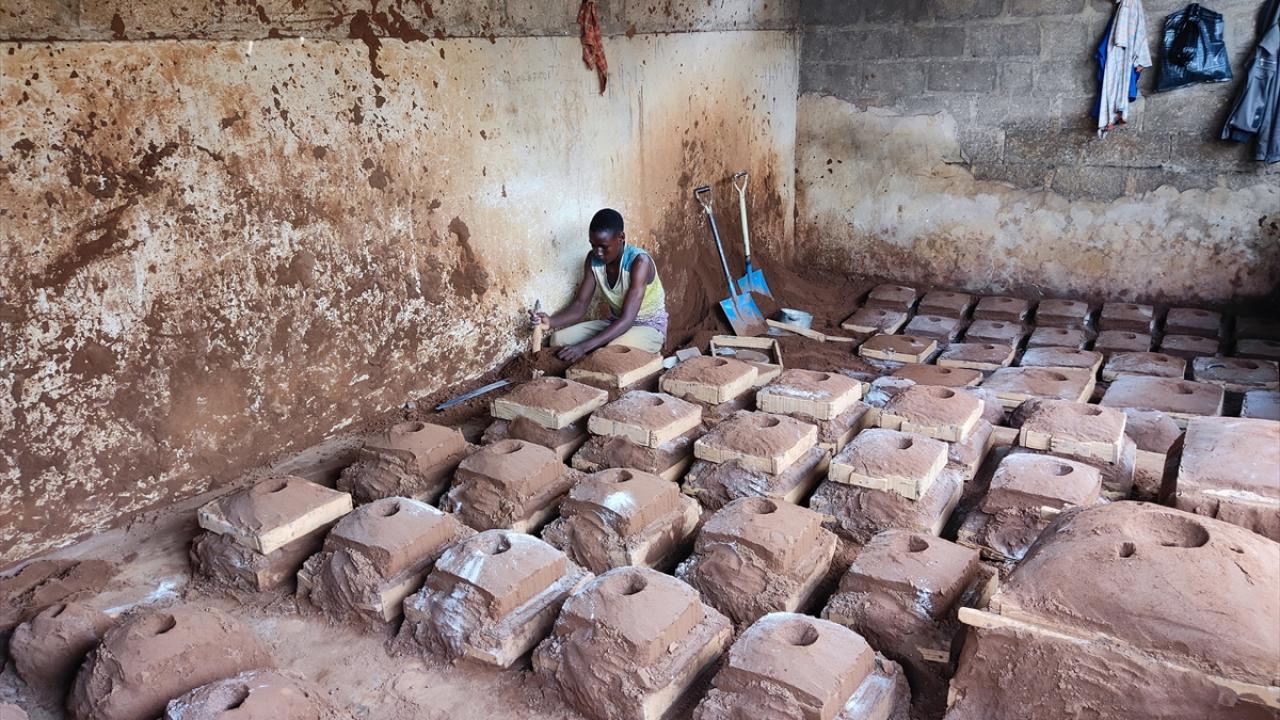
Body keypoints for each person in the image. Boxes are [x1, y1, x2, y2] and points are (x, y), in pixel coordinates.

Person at [530, 209, 667, 363]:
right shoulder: (593, 260)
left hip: (648, 326)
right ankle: (595, 357)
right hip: (615, 322)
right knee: (557, 339)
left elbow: (628, 319)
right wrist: (551, 321)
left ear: (621, 237)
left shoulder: (639, 262)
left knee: (611, 350)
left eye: (603, 246)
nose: (598, 252)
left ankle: (650, 353)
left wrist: (583, 347)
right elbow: (580, 305)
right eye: (593, 245)